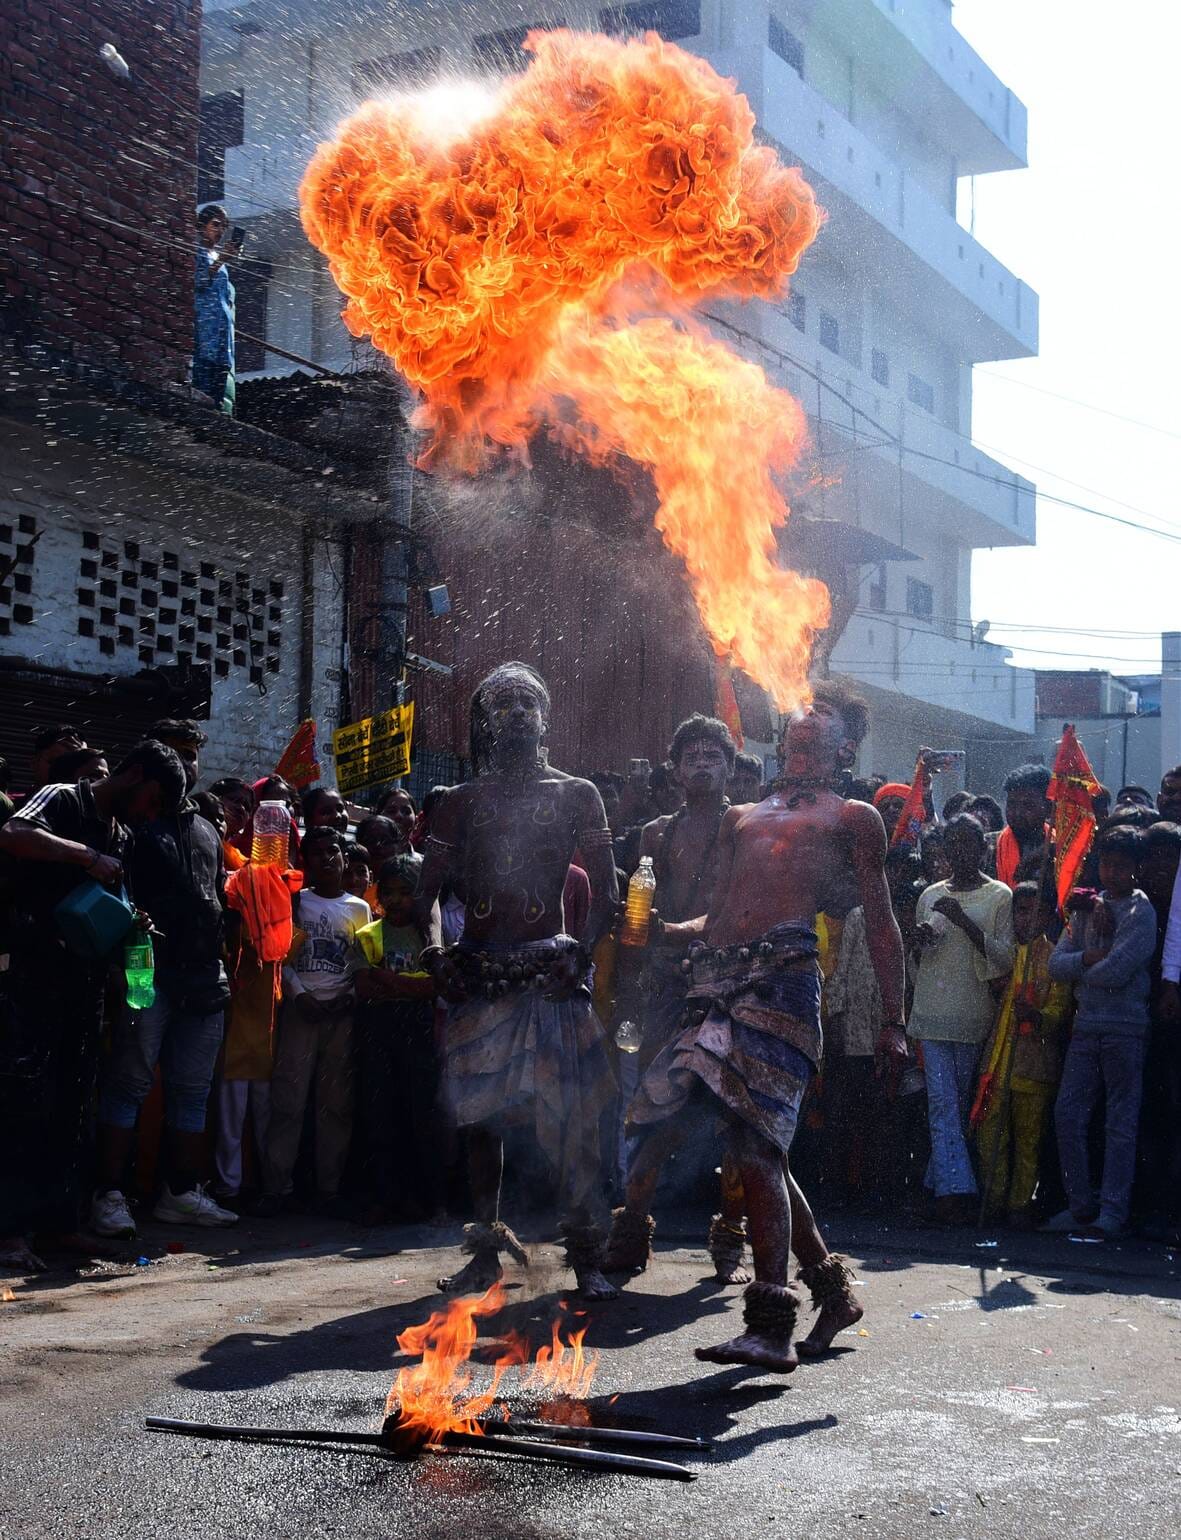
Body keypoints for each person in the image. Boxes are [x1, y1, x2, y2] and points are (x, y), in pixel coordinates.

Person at [607, 681, 906, 1370]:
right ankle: (832, 1296)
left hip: (784, 981)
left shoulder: (853, 815)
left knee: (754, 1147)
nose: (807, 715)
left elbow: (881, 920)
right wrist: (663, 930)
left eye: (823, 712)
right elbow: (716, 915)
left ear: (845, 745)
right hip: (715, 985)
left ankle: (771, 1322)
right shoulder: (742, 814)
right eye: (806, 706)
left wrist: (894, 1019)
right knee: (751, 1145)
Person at [415, 663, 619, 1299]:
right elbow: (427, 893)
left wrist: (580, 955)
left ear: (545, 717)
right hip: (480, 968)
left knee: (573, 1118)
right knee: (481, 1119)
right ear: (484, 724)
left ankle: (587, 1253)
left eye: (527, 703)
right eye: (501, 706)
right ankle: (484, 1254)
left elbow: (608, 894)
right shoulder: (461, 802)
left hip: (550, 975)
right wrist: (435, 950)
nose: (515, 715)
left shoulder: (577, 793)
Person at [0, 741, 187, 1271]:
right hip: (33, 975)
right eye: (150, 800)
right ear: (132, 775)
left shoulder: (123, 834)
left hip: (83, 985)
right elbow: (12, 833)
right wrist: (85, 856)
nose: (149, 814)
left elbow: (104, 903)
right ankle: (9, 1231)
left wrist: (132, 923)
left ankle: (60, 1224)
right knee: (24, 1105)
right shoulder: (62, 798)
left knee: (73, 1105)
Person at [92, 719, 235, 1236]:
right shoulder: (133, 818)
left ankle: (182, 1193)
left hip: (201, 974)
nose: (187, 766)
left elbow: (214, 896)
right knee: (128, 1082)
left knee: (191, 1090)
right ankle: (108, 1195)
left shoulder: (205, 828)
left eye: (193, 754)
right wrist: (125, 973)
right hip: (144, 966)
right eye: (177, 754)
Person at [1047, 826, 1157, 1239]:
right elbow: (1056, 964)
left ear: (1136, 869)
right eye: (1107, 863)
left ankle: (1112, 1211)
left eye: (1122, 865)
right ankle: (1080, 1206)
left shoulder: (1141, 911)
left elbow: (1119, 972)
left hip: (1126, 1028)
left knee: (1120, 1122)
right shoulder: (1084, 906)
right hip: (1086, 1025)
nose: (1113, 872)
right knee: (1067, 1115)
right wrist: (1090, 958)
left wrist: (1082, 967)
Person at [257, 827, 370, 1216]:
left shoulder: (358, 908)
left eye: (333, 850)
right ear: (305, 861)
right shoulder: (294, 902)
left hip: (341, 1014)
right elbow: (280, 957)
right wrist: (299, 994)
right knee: (288, 1099)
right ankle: (276, 1188)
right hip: (300, 1011)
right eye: (317, 853)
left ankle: (329, 1189)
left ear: (344, 857)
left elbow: (362, 961)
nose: (326, 859)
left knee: (335, 1104)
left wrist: (348, 999)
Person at [908, 814, 1014, 1225]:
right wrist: (919, 944)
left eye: (969, 845)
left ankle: (940, 1181)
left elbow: (1003, 957)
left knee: (960, 1101)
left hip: (971, 1012)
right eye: (952, 846)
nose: (960, 853)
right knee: (940, 1101)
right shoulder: (930, 894)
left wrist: (964, 922)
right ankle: (954, 1192)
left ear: (983, 848)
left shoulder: (999, 896)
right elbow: (920, 961)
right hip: (931, 1010)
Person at [973, 882, 1071, 1227]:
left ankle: (1018, 1205)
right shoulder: (1006, 952)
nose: (1027, 918)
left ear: (1049, 915)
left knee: (1028, 1141)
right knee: (990, 1136)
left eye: (1036, 911)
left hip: (1034, 1064)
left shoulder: (1055, 957)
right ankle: (993, 1199)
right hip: (997, 1062)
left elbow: (1059, 1011)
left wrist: (1038, 1017)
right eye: (1021, 910)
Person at [354, 855, 443, 1224]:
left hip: (418, 1030)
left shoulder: (430, 938)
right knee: (380, 1114)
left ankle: (423, 1199)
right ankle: (384, 1197)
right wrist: (410, 986)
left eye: (404, 892)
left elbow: (434, 987)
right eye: (387, 892)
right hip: (378, 1030)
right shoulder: (370, 933)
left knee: (420, 1115)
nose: (394, 900)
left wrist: (389, 982)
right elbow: (362, 984)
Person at [209, 777, 279, 1207]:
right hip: (231, 992)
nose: (238, 811)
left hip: (262, 997)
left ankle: (266, 1184)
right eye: (230, 804)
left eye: (245, 805)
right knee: (230, 1103)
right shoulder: (224, 860)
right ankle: (228, 1185)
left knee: (263, 1104)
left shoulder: (259, 866)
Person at [1133, 821, 1181, 1230]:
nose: (1161, 866)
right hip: (1137, 1026)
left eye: (1171, 857)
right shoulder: (1127, 906)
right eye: (1153, 857)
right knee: (1147, 1114)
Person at [193, 203, 239, 414]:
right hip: (204, 327)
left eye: (224, 227)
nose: (220, 232)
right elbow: (199, 281)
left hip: (222, 330)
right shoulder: (195, 253)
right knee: (203, 376)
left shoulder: (219, 261)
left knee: (221, 377)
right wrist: (221, 260)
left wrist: (221, 260)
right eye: (216, 225)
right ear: (202, 226)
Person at [994, 765, 1052, 888]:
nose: (1017, 813)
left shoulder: (1059, 849)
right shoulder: (988, 847)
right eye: (1012, 804)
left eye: (1028, 805)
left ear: (1048, 807)